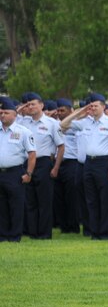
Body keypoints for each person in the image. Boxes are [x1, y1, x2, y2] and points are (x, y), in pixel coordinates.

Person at [59, 93, 108, 240]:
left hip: (104, 163)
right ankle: (94, 232)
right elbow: (63, 125)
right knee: (91, 200)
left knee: (104, 199)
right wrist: (81, 111)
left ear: (103, 107)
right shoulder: (85, 122)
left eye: (95, 106)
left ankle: (105, 233)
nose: (92, 108)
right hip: (88, 163)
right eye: (91, 106)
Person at [14, 93, 64, 239]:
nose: (30, 107)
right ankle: (33, 232)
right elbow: (11, 115)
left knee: (44, 200)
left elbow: (60, 147)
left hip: (44, 163)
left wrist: (55, 167)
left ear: (42, 105)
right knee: (30, 200)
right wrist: (21, 108)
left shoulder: (52, 123)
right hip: (27, 164)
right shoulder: (23, 123)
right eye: (28, 105)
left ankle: (44, 233)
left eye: (33, 104)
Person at [0, 98, 36, 242]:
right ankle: (2, 235)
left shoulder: (24, 132)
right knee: (1, 207)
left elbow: (32, 154)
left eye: (6, 113)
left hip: (15, 173)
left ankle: (14, 236)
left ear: (15, 114)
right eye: (1, 113)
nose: (2, 115)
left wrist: (29, 174)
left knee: (16, 206)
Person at [53, 99, 84, 234]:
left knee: (71, 196)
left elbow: (63, 125)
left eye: (62, 110)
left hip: (72, 161)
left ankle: (73, 225)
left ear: (71, 110)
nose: (59, 113)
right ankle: (63, 226)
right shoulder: (53, 124)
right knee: (58, 196)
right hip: (58, 162)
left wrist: (76, 114)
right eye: (58, 110)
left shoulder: (77, 124)